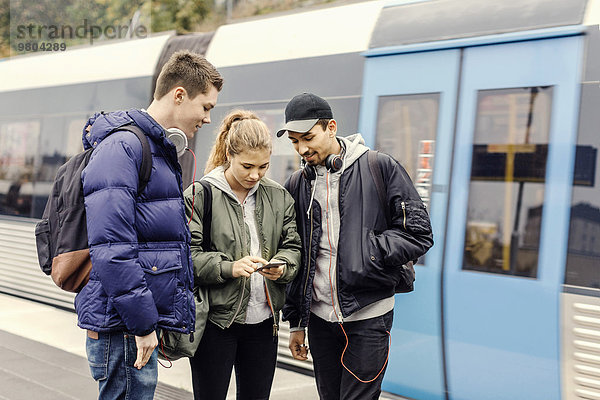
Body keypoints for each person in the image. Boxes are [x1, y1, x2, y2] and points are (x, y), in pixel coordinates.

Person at [78, 50, 223, 399]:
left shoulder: (153, 148)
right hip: (124, 327)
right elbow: (112, 250)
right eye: (206, 107)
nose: (207, 118)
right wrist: (143, 324)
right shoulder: (125, 147)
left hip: (130, 322)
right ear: (179, 95)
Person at [278, 93, 434, 400]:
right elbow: (298, 254)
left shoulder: (381, 167)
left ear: (332, 127)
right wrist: (297, 322)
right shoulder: (298, 183)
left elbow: (419, 233)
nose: (303, 149)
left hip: (369, 317)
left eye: (308, 138)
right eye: (295, 142)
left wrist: (370, 252)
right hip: (321, 321)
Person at [184, 110, 301, 400]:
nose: (255, 175)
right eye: (247, 166)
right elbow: (185, 257)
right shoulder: (200, 195)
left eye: (263, 167)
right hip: (215, 323)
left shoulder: (279, 196)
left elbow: (293, 246)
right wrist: (229, 267)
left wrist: (283, 266)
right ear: (228, 154)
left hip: (264, 324)